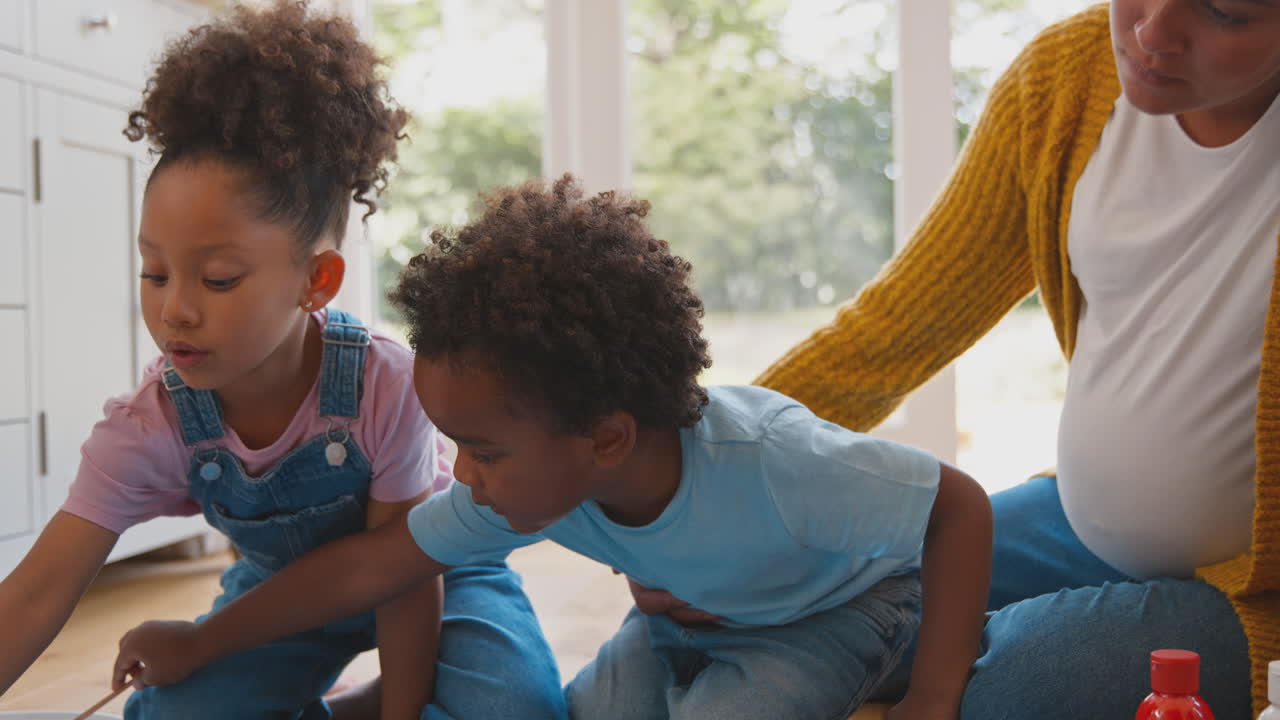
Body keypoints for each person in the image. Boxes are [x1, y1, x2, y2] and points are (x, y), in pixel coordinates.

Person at [107, 174, 994, 720]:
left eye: (481, 451)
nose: (464, 475)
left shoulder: (770, 461)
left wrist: (934, 696)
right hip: (680, 624)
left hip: (835, 614)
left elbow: (957, 507)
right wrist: (203, 640)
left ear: (606, 438)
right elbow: (364, 569)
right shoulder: (538, 478)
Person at [0, 2, 566, 718]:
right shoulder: (149, 428)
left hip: (438, 575)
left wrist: (402, 708)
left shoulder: (384, 385)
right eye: (154, 273)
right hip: (278, 598)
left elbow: (398, 573)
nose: (175, 308)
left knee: (517, 708)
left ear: (315, 281)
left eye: (218, 279)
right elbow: (34, 592)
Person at [732, 1, 1280, 717]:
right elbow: (899, 325)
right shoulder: (1064, 81)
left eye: (1225, 13)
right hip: (1077, 521)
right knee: (800, 595)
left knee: (1014, 684)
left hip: (1257, 587)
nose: (1152, 33)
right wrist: (708, 472)